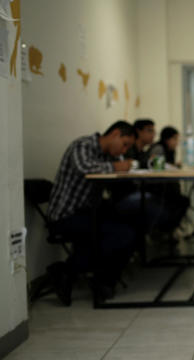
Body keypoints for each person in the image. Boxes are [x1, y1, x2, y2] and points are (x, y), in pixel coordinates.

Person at [46, 121, 137, 305]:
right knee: (121, 234)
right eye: (125, 144)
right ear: (115, 134)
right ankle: (74, 272)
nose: (124, 150)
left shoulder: (105, 156)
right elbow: (85, 168)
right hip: (65, 215)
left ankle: (99, 280)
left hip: (87, 213)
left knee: (131, 227)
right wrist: (117, 167)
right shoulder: (83, 145)